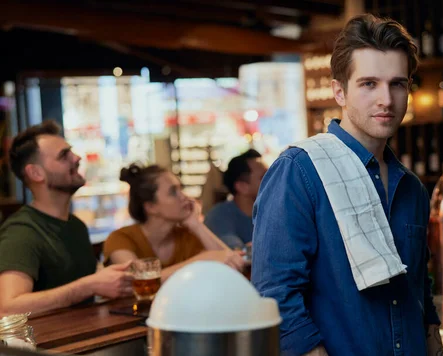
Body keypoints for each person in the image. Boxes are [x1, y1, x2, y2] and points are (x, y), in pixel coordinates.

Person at [252, 14, 443, 356]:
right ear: (339, 91)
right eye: (369, 84)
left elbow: (418, 295)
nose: (386, 99)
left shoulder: (411, 189)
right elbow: (275, 302)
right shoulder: (299, 173)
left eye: (398, 84)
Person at [0, 120, 133, 317]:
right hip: (47, 346)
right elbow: (8, 308)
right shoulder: (21, 231)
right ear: (36, 173)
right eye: (64, 156)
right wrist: (89, 286)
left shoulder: (75, 225)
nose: (77, 158)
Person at [103, 163, 248, 280]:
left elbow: (233, 266)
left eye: (181, 189)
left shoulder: (187, 236)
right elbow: (138, 280)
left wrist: (195, 224)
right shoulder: (120, 239)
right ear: (151, 207)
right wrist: (200, 261)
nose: (184, 197)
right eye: (173, 192)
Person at [204, 149, 267, 249]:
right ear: (242, 187)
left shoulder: (272, 212)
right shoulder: (218, 216)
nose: (273, 181)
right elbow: (237, 255)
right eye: (264, 177)